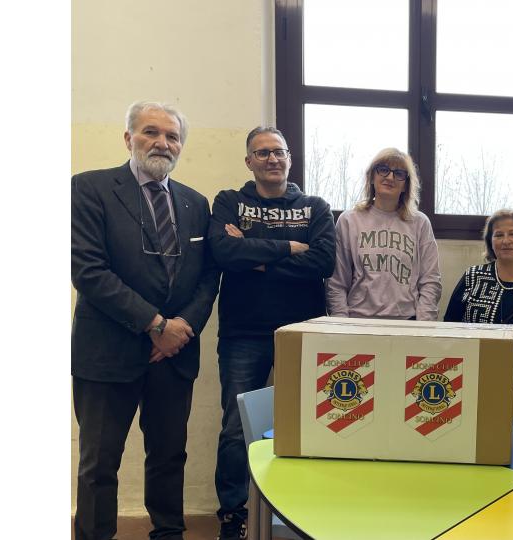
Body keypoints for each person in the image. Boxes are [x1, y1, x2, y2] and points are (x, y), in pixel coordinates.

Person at [71, 101, 220, 540]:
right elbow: (88, 270)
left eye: (172, 136)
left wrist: (181, 329)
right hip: (107, 352)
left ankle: (169, 533)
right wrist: (156, 325)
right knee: (99, 464)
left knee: (170, 457)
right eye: (150, 132)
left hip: (173, 355)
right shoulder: (89, 188)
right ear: (128, 138)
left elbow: (208, 277)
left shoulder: (196, 203)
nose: (162, 142)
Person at [208, 126, 335, 539]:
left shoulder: (315, 207)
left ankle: (301, 511)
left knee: (308, 424)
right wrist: (288, 248)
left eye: (278, 152)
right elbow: (224, 252)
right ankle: (233, 514)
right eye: (262, 153)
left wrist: (254, 255)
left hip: (303, 333)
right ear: (249, 161)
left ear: (290, 158)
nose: (272, 159)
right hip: (243, 333)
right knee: (235, 428)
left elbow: (323, 262)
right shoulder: (229, 201)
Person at [326, 148, 442, 320]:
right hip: (358, 322)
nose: (390, 177)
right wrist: (341, 323)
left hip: (407, 323)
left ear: (406, 185)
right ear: (372, 177)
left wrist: (422, 325)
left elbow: (430, 281)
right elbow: (336, 282)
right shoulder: (349, 221)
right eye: (383, 170)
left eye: (399, 173)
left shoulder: (420, 223)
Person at [444, 209, 513, 383]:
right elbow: (450, 324)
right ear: (490, 241)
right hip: (477, 378)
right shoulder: (473, 277)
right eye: (499, 235)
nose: (506, 241)